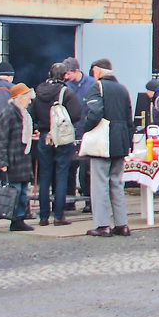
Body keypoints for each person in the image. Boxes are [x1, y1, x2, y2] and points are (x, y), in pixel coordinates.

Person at [79, 58, 135, 238]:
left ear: (97, 71)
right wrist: (129, 143)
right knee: (117, 183)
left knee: (100, 183)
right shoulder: (123, 89)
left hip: (104, 141)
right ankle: (122, 224)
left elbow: (95, 112)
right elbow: (129, 118)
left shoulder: (97, 87)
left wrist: (85, 130)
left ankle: (102, 225)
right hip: (121, 140)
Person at [29, 62, 82, 227]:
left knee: (44, 176)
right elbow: (76, 114)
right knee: (61, 175)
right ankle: (58, 215)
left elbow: (31, 114)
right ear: (65, 75)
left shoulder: (39, 91)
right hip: (62, 138)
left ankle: (43, 217)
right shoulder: (66, 93)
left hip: (44, 136)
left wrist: (40, 126)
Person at [0, 83, 37, 232]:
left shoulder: (23, 113)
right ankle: (6, 216)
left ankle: (18, 219)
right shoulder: (9, 113)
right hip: (13, 158)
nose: (29, 102)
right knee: (14, 192)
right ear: (20, 98)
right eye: (28, 98)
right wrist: (2, 162)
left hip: (22, 157)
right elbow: (1, 139)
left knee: (21, 192)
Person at [64, 58, 97, 210]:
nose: (66, 76)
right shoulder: (66, 86)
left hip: (87, 132)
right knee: (70, 168)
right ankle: (69, 201)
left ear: (76, 71)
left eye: (69, 73)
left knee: (86, 170)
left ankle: (89, 201)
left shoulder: (92, 84)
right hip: (70, 133)